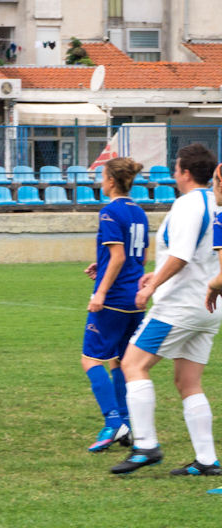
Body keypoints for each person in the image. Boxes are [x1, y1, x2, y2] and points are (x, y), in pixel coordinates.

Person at [111, 144, 221, 476]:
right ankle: (207, 460)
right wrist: (156, 274)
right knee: (188, 381)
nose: (173, 175)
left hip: (180, 305)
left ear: (185, 172)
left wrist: (152, 286)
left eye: (175, 169)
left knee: (132, 364)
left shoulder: (188, 204)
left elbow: (182, 255)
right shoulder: (213, 202)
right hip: (209, 305)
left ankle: (146, 445)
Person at [79, 158, 147, 453]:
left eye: (102, 176)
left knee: (90, 359)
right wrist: (102, 264)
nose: (100, 181)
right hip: (135, 297)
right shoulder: (139, 211)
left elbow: (118, 256)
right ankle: (128, 423)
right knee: (119, 360)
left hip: (114, 299)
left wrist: (100, 293)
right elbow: (137, 257)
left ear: (110, 181)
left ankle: (113, 420)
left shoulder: (109, 212)